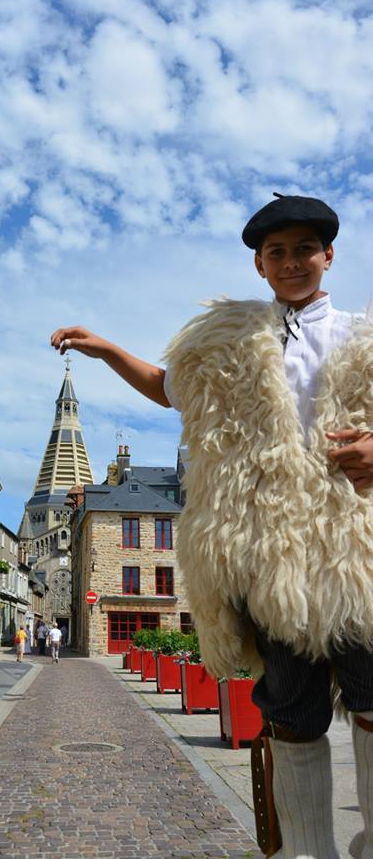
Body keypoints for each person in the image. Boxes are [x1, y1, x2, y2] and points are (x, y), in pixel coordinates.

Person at [52, 194, 373, 859]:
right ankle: (303, 852)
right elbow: (171, 386)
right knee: (292, 713)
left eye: (304, 249)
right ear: (259, 265)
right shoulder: (230, 342)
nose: (292, 262)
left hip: (353, 550)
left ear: (329, 256)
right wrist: (109, 349)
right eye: (277, 252)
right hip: (272, 556)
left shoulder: (361, 338)